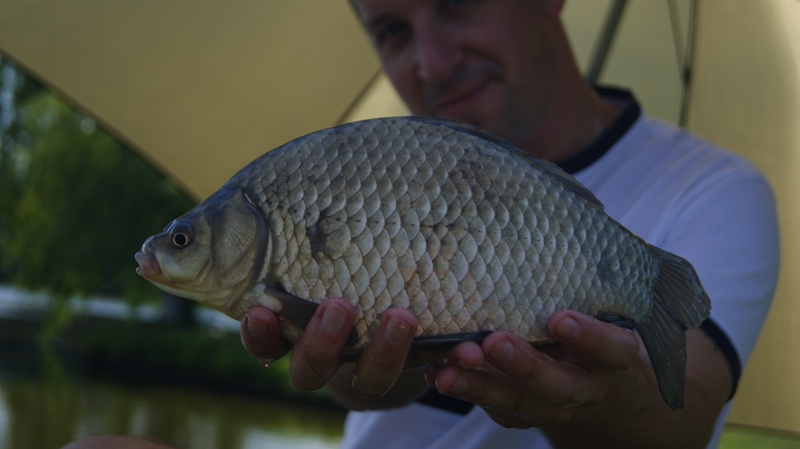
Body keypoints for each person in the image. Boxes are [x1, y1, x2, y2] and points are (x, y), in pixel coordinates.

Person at [64, 0, 779, 448]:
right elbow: (353, 371)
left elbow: (685, 417)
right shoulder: (365, 165)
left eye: (458, 2)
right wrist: (361, 369)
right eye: (392, 29)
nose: (432, 61)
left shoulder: (714, 189)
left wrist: (591, 383)